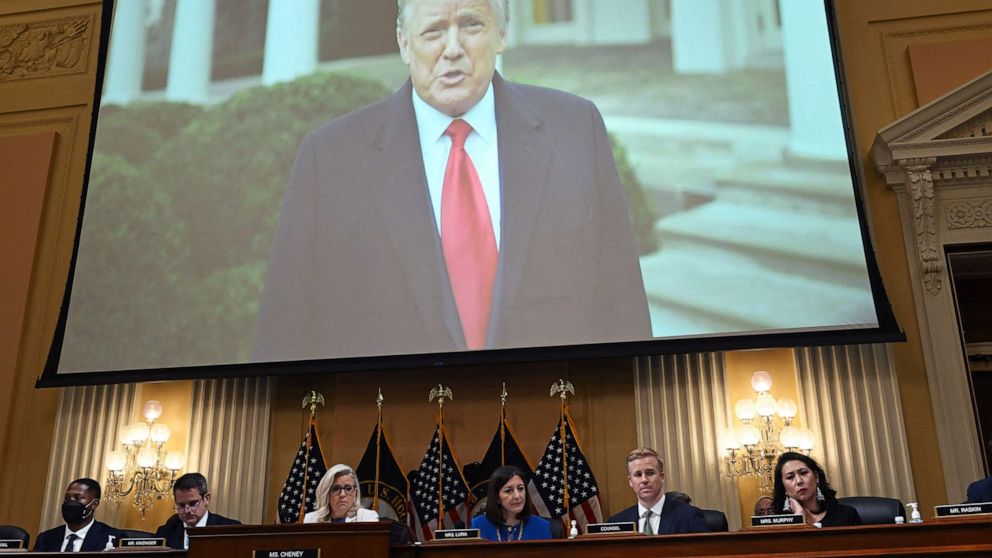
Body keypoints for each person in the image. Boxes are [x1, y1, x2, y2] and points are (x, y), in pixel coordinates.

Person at [254, 0, 651, 362]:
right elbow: (285, 333)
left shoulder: (575, 130)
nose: (453, 48)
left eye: (472, 25)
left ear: (502, 33)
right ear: (404, 44)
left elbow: (622, 305)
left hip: (556, 421)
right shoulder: (331, 158)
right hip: (390, 429)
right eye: (433, 31)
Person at [608, 448, 708, 534]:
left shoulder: (689, 516)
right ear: (630, 481)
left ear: (662, 477)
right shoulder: (617, 522)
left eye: (650, 473)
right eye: (638, 474)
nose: (644, 480)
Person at [154, 472, 241, 549]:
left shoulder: (230, 530)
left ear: (206, 499)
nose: (187, 510)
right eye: (181, 505)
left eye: (192, 504)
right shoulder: (165, 532)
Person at [773, 452, 861, 527]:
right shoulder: (779, 523)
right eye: (790, 477)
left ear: (816, 477)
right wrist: (799, 518)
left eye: (803, 473)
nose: (799, 481)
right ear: (783, 486)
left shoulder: (846, 514)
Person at [34, 478, 124, 551]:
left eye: (78, 498)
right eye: (67, 498)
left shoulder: (112, 538)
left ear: (94, 504)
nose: (70, 502)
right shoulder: (45, 539)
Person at [471, 465, 551, 541]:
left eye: (520, 488)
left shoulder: (542, 527)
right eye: (508, 490)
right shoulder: (478, 525)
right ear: (497, 497)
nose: (517, 496)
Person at [304, 464, 380, 523]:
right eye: (336, 489)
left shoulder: (367, 518)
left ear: (355, 493)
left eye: (348, 488)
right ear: (326, 493)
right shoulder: (311, 519)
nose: (342, 494)